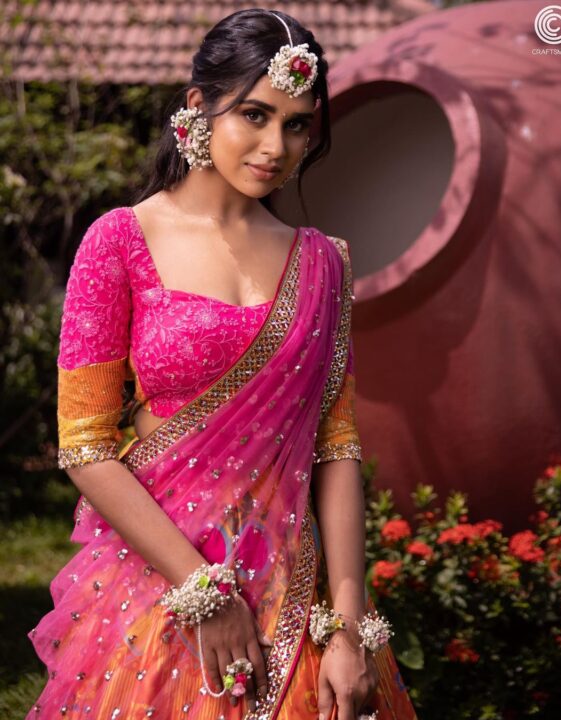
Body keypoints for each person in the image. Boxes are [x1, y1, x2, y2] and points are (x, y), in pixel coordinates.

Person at [27, 9, 418, 720]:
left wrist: (349, 627)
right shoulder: (120, 241)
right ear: (199, 105)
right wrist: (203, 593)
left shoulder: (324, 263)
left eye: (298, 125)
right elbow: (85, 447)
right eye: (256, 115)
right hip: (155, 589)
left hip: (296, 599)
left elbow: (336, 450)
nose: (276, 146)